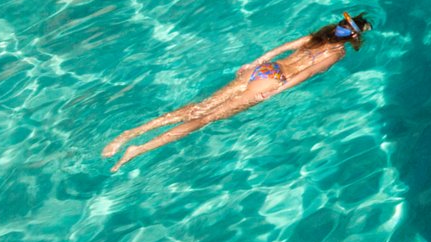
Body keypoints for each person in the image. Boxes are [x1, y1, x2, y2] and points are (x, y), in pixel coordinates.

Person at [102, 11, 373, 171]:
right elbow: (307, 73)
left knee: (197, 107)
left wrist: (254, 63)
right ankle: (139, 148)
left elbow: (280, 49)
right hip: (274, 79)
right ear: (353, 38)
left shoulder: (315, 38)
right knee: (205, 118)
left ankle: (128, 134)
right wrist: (277, 91)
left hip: (265, 69)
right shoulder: (336, 53)